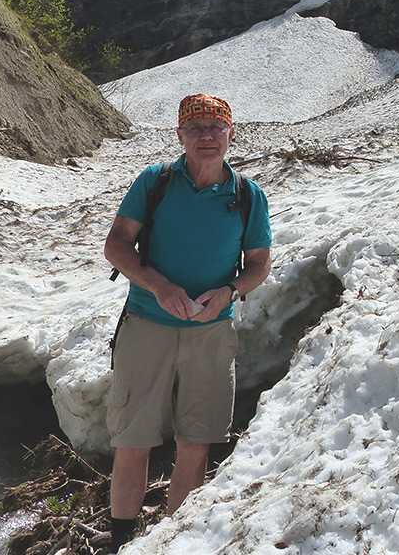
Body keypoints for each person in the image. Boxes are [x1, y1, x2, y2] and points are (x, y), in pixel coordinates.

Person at [103, 94, 272, 553]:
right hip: (146, 325)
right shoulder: (155, 182)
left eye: (215, 127)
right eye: (195, 127)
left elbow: (259, 264)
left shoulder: (247, 195)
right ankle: (122, 541)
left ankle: (173, 542)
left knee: (196, 441)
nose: (206, 136)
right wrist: (158, 285)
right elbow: (117, 244)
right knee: (133, 440)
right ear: (179, 135)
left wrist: (231, 291)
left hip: (212, 334)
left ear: (231, 133)